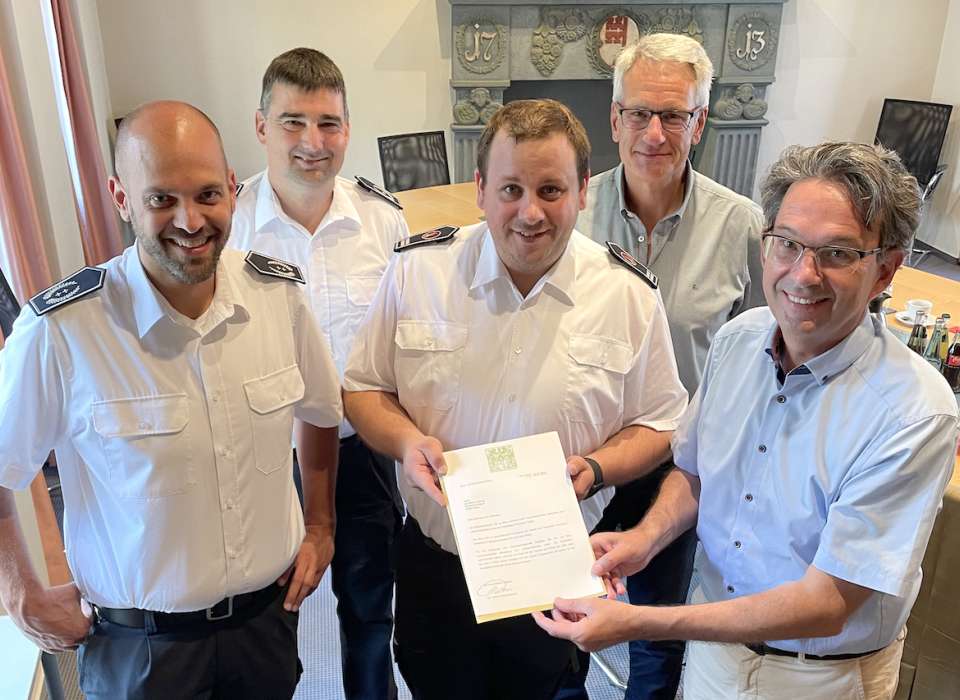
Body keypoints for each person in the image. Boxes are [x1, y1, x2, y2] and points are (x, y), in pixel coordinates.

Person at [535, 142, 960, 700]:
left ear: (886, 270)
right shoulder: (738, 340)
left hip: (819, 678)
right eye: (788, 243)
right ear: (765, 246)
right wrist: (644, 538)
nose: (803, 274)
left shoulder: (913, 412)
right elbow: (695, 472)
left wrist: (641, 622)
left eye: (837, 253)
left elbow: (828, 603)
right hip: (715, 655)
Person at [342, 98, 687, 700]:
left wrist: (598, 466)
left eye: (551, 190)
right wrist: (406, 441)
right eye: (510, 190)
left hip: (553, 569)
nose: (530, 212)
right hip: (438, 562)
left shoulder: (627, 295)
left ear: (583, 190)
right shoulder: (419, 272)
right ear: (480, 189)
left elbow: (660, 423)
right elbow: (364, 386)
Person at [0, 101, 343, 699]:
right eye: (161, 199)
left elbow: (319, 412)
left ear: (232, 188)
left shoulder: (278, 298)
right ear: (121, 198)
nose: (190, 220)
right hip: (140, 650)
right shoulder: (62, 330)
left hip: (264, 626)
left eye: (208, 195)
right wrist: (18, 590)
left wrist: (320, 523)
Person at [571, 32, 765, 699]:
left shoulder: (743, 227)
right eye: (639, 114)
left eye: (674, 115)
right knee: (563, 627)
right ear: (614, 118)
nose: (654, 133)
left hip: (677, 476)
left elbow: (762, 355)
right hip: (581, 463)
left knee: (657, 639)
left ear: (700, 123)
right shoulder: (569, 212)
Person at [228, 48, 408, 700]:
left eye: (328, 123)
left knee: (370, 612)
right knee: (267, 618)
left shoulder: (383, 220)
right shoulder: (228, 224)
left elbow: (401, 342)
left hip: (359, 451)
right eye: (293, 122)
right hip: (263, 461)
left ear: (347, 129)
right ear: (261, 126)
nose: (313, 142)